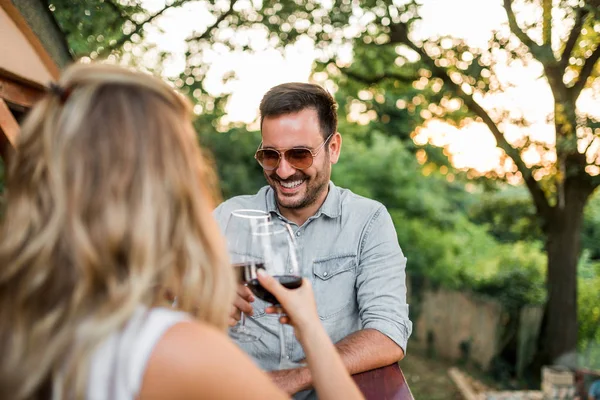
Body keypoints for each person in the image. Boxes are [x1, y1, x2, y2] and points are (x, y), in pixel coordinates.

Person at [0, 64, 364, 400]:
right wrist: (310, 329)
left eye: (298, 154)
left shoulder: (23, 319)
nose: (282, 171)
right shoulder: (170, 349)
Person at [214, 82, 412, 398]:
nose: (282, 170)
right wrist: (203, 304)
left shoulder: (368, 221)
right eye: (270, 155)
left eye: (299, 154)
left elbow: (387, 333)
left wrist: (294, 379)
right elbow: (172, 306)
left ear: (333, 147)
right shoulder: (228, 217)